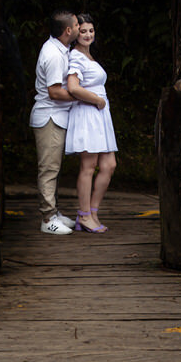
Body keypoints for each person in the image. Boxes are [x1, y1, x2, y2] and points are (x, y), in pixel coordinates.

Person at [63, 13, 117, 233]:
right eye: (83, 31)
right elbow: (73, 87)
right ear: (76, 34)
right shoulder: (75, 57)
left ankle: (92, 211)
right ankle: (84, 215)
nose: (87, 35)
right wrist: (96, 100)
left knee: (109, 165)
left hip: (100, 115)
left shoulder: (89, 56)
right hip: (87, 112)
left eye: (91, 31)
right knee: (89, 166)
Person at [30, 9, 79, 235]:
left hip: (56, 116)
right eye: (78, 25)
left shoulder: (61, 49)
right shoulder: (54, 54)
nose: (80, 28)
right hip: (49, 116)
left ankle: (54, 211)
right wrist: (81, 97)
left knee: (54, 167)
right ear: (68, 30)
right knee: (49, 168)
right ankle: (47, 217)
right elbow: (54, 92)